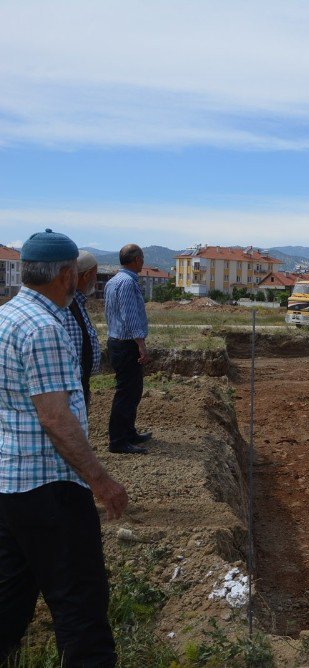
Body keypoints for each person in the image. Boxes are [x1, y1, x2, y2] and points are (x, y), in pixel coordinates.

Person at [0, 229, 128, 667]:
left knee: (8, 600)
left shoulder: (5, 318)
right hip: (50, 488)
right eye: (75, 273)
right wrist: (101, 481)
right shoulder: (46, 329)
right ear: (66, 274)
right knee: (81, 609)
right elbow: (55, 418)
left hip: (9, 486)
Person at [104, 244, 152, 455]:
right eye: (141, 258)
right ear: (136, 260)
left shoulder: (113, 281)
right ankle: (118, 440)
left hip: (117, 341)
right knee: (126, 393)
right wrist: (140, 344)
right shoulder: (127, 283)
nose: (142, 262)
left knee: (132, 391)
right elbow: (130, 316)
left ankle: (129, 432)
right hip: (126, 344)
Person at [62, 251, 102, 409]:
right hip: (71, 389)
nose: (96, 279)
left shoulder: (77, 302)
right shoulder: (66, 306)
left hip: (79, 385)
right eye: (95, 274)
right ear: (86, 276)